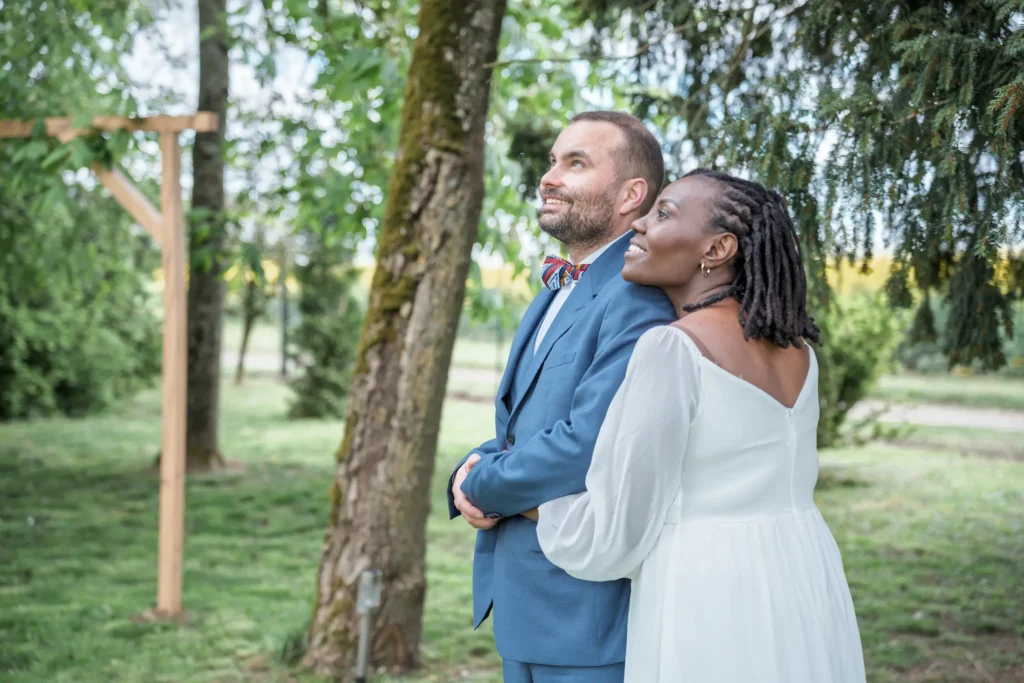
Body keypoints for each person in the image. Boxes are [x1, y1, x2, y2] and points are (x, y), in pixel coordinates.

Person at [532, 168, 867, 682]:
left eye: (662, 213)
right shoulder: (798, 351)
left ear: (717, 249)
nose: (639, 225)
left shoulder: (673, 347)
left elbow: (620, 527)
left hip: (710, 588)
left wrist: (530, 507)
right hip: (802, 568)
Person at [446, 111, 676, 683]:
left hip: (585, 619)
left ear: (631, 195)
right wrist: (468, 465)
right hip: (524, 604)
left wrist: (480, 485)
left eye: (576, 163)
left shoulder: (636, 300)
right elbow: (524, 425)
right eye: (553, 161)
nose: (550, 176)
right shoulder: (556, 285)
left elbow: (588, 443)